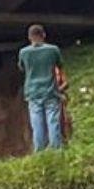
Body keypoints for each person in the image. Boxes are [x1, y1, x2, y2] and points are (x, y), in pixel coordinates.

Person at [18, 23, 65, 152]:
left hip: (32, 92)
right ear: (44, 35)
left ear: (29, 37)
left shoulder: (23, 52)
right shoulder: (53, 50)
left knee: (37, 123)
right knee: (52, 120)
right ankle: (56, 150)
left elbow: (22, 68)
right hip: (50, 91)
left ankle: (39, 151)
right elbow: (60, 66)